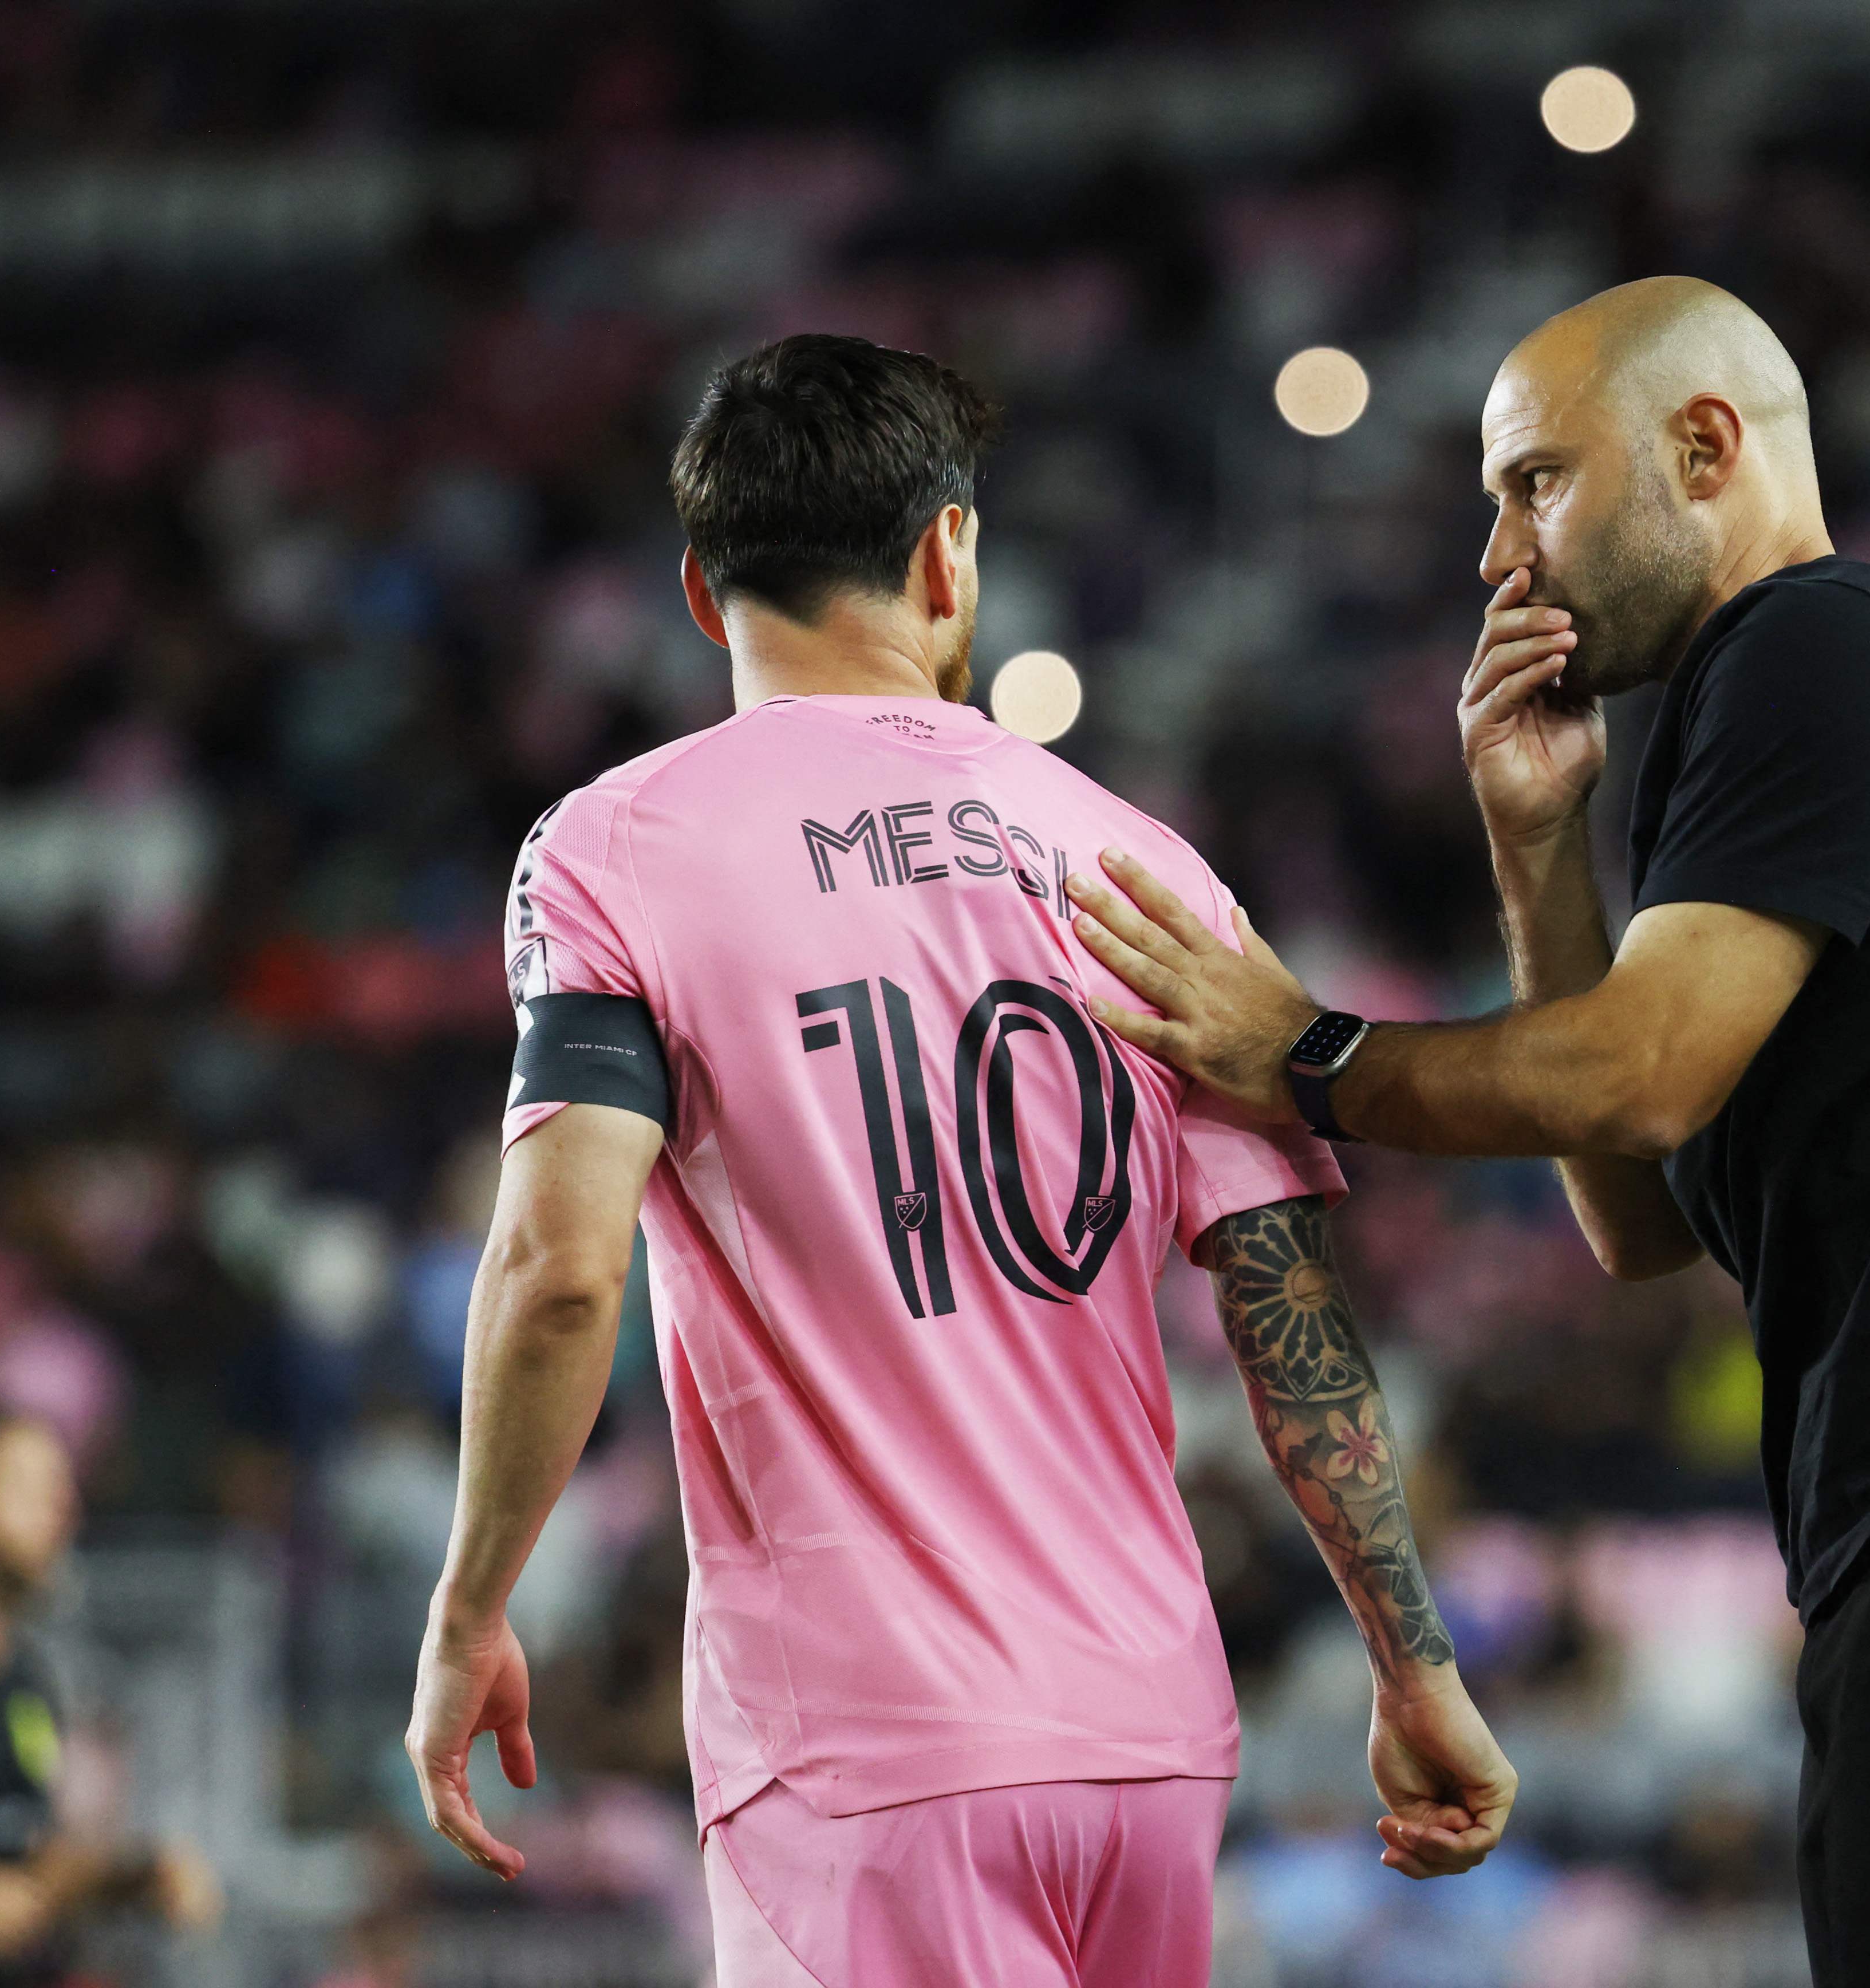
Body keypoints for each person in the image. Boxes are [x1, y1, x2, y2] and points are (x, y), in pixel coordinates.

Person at [1065, 278, 1870, 1987]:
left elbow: (1636, 1073)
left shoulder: (1816, 642)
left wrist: (1307, 1056)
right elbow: (1634, 1216)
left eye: (1535, 483)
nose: (1498, 556)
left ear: (1706, 448)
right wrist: (1537, 848)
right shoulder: (1800, 691)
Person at [403, 334, 1514, 1987]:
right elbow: (1292, 1314)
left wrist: (470, 1608)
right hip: (1148, 1744)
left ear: (703, 592)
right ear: (948, 554)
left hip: (866, 1749)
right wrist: (1413, 1664)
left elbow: (561, 1273)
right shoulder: (1143, 866)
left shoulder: (613, 852)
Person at [0, 1398, 223, 1987]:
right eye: (31, 1488)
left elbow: (24, 1864)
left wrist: (132, 1878)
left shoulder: (26, 1679)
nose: (64, 1510)